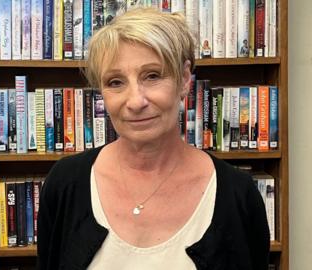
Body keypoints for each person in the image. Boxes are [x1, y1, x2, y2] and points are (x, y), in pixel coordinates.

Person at [37, 7, 269, 270]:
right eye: (115, 82)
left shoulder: (239, 196)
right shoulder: (64, 184)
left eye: (152, 76)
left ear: (184, 79)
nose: (135, 101)